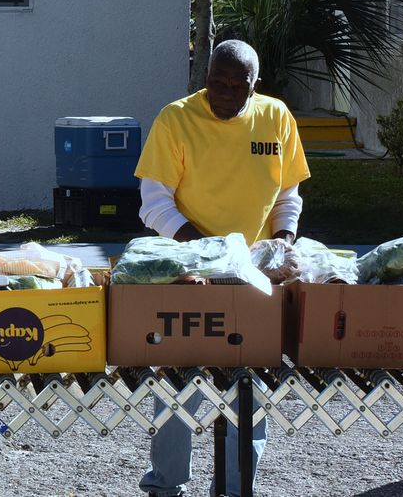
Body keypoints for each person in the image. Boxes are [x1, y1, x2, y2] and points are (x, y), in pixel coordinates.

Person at [135, 39, 310, 497]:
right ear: (205, 77)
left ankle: (236, 488)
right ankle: (165, 484)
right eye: (217, 83)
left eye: (238, 86)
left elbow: (289, 195)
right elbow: (154, 205)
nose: (225, 95)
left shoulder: (276, 117)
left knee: (249, 380)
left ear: (256, 85)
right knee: (177, 375)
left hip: (253, 273)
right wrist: (209, 253)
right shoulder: (175, 118)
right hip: (188, 270)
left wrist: (282, 243)